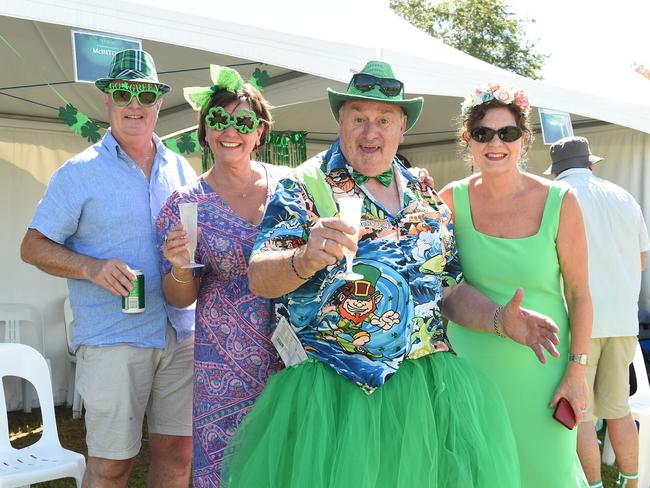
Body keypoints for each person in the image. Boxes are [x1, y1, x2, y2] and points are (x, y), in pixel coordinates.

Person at [220, 61, 563, 488]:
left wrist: (499, 319)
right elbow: (259, 276)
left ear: (402, 128)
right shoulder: (305, 186)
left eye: (384, 120)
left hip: (425, 391)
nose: (371, 131)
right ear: (340, 122)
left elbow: (448, 288)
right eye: (358, 118)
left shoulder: (424, 190)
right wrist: (304, 259)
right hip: (335, 397)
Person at [20, 49, 196, 487]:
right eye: (123, 93)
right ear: (107, 102)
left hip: (180, 331)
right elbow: (32, 246)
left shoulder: (181, 168)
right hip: (114, 337)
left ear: (158, 103)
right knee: (112, 463)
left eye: (144, 95)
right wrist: (91, 268)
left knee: (178, 453)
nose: (133, 105)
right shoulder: (78, 172)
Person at [440, 83, 592, 487]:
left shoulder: (561, 200)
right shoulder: (449, 201)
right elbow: (438, 289)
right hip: (471, 366)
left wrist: (576, 371)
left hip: (543, 368)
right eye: (483, 133)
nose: (495, 143)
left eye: (507, 133)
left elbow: (579, 294)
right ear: (467, 140)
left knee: (546, 473)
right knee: (476, 473)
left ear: (523, 139)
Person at [155, 65, 288, 486]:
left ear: (260, 132)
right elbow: (179, 299)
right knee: (224, 464)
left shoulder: (291, 187)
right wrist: (179, 268)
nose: (231, 131)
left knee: (286, 456)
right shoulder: (185, 204)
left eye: (243, 121)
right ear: (205, 130)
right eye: (219, 120)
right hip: (223, 361)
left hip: (292, 350)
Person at [547, 136, 649, 488]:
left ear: (556, 170)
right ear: (590, 164)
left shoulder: (554, 196)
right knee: (619, 410)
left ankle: (592, 486)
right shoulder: (624, 196)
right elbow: (641, 261)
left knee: (582, 414)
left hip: (578, 319)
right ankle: (631, 482)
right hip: (623, 320)